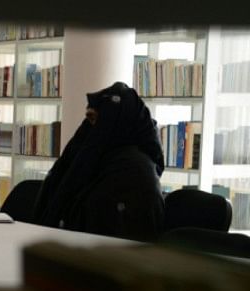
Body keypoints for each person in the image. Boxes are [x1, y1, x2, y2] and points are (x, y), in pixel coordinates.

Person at [31, 81, 165, 242]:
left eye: (97, 119)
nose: (92, 127)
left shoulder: (134, 173)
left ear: (119, 121)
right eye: (89, 119)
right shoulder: (94, 157)